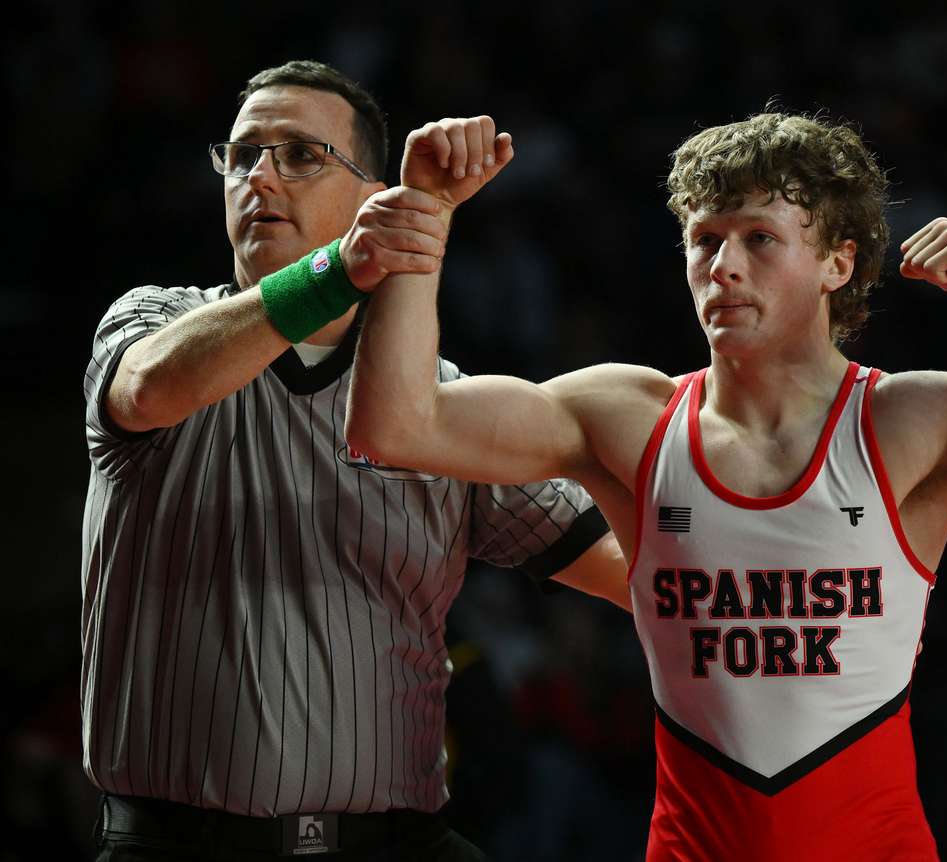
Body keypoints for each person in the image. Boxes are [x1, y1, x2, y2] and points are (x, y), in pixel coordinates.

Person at [345, 111, 947, 860]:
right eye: (705, 240)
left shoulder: (910, 419)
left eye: (758, 238)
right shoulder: (627, 415)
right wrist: (425, 220)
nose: (724, 267)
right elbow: (395, 427)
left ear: (837, 263)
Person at [81, 61, 627, 862]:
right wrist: (343, 268)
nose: (259, 177)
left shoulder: (433, 400)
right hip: (178, 844)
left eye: (299, 156)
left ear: (374, 195)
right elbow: (153, 385)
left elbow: (628, 569)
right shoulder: (156, 318)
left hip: (398, 843)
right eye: (241, 156)